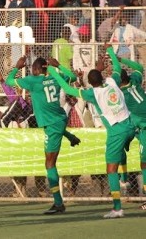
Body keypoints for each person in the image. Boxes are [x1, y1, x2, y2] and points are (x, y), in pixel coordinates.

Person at [48, 60, 135, 218]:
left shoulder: (93, 94)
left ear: (90, 83)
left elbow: (67, 88)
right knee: (121, 152)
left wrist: (53, 70)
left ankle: (117, 208)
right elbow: (116, 68)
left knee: (110, 169)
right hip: (130, 126)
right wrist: (109, 53)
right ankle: (125, 179)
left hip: (116, 132)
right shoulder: (112, 81)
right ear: (102, 77)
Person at [5, 56, 81, 214]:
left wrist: (17, 67)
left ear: (37, 69)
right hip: (58, 121)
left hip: (53, 125)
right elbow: (73, 77)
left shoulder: (32, 81)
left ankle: (58, 203)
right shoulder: (55, 77)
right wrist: (58, 65)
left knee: (49, 165)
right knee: (50, 163)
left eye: (33, 68)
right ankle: (70, 137)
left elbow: (9, 81)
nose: (32, 70)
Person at [107, 45, 146, 209]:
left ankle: (124, 179)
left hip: (143, 127)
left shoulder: (119, 94)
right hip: (136, 127)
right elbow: (139, 67)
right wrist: (120, 59)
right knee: (121, 145)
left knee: (144, 164)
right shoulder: (135, 80)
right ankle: (124, 179)